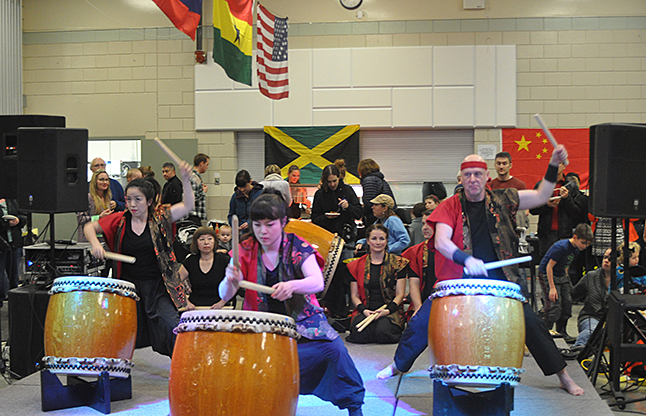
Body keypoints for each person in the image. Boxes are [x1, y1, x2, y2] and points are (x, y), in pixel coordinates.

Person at [379, 149, 584, 396]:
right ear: (461, 179)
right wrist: (466, 259)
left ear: (487, 177)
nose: (473, 179)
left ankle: (563, 376)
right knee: (422, 321)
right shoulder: (450, 205)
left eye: (477, 174)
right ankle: (398, 365)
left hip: (501, 277)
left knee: (531, 322)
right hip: (458, 278)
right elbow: (442, 241)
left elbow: (541, 195)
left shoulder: (504, 198)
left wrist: (552, 165)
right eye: (467, 174)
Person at [219, 194, 365, 416]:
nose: (263, 232)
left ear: (283, 223)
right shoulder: (245, 249)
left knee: (334, 351)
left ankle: (354, 407)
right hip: (259, 324)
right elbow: (224, 294)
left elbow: (316, 281)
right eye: (257, 225)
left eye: (270, 225)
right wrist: (229, 280)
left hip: (303, 321)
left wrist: (292, 285)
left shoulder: (297, 246)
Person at [84, 161, 195, 358]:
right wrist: (95, 244)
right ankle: (114, 374)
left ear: (149, 201)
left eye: (138, 199)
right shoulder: (119, 220)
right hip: (128, 287)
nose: (132, 204)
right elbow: (89, 227)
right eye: (128, 199)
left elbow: (188, 206)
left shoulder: (162, 217)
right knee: (117, 332)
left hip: (158, 286)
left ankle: (183, 370)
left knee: (173, 327)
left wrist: (186, 179)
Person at [377, 209, 436, 379]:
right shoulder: (418, 251)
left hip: (452, 299)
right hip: (429, 300)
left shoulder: (450, 248)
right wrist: (418, 307)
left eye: (429, 224)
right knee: (417, 325)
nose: (425, 227)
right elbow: (414, 282)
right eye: (423, 223)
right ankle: (398, 365)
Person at [346, 224, 412, 344]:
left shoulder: (398, 263)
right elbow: (354, 295)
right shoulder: (355, 265)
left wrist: (387, 311)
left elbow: (400, 294)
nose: (378, 242)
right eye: (374, 238)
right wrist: (364, 310)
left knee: (383, 333)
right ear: (368, 241)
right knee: (360, 334)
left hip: (390, 309)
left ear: (387, 241)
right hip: (366, 309)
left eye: (382, 239)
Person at [537, 223, 593, 341]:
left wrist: (566, 279)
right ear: (575, 237)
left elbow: (567, 263)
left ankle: (561, 331)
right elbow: (549, 267)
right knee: (554, 304)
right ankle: (547, 333)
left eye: (587, 244)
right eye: (583, 243)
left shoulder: (576, 249)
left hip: (561, 274)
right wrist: (552, 287)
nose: (584, 246)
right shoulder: (561, 247)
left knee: (567, 303)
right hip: (548, 274)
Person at [561, 248, 612, 359]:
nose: (606, 261)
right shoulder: (591, 276)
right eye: (605, 257)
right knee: (592, 330)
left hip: (615, 321)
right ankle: (577, 351)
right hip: (591, 317)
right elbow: (573, 294)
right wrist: (565, 277)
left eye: (610, 258)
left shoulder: (624, 280)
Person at [179, 226, 230, 310]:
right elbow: (175, 283)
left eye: (210, 239)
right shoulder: (190, 261)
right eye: (202, 239)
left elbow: (235, 284)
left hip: (221, 308)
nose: (206, 242)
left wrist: (221, 303)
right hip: (195, 308)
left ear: (215, 241)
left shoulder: (225, 260)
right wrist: (186, 302)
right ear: (196, 243)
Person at [311, 164, 362, 243]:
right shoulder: (320, 194)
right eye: (329, 182)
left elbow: (359, 214)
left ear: (339, 177)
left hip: (346, 236)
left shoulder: (348, 190)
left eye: (334, 181)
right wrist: (326, 217)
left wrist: (348, 207)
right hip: (326, 237)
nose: (332, 184)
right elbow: (314, 218)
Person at [0, 198, 26, 306]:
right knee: (1, 275)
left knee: (14, 273)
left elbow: (24, 217)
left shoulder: (13, 201)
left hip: (15, 243)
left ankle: (15, 302)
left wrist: (18, 220)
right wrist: (7, 225)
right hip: (1, 244)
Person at [77, 170, 115, 242]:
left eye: (107, 180)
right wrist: (99, 217)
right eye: (101, 180)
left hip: (104, 239)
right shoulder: (87, 198)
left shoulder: (108, 199)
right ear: (95, 182)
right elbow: (80, 219)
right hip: (89, 240)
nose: (104, 182)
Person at [358, 158, 396, 225]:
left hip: (376, 216)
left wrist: (362, 213)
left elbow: (369, 202)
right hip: (386, 213)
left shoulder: (369, 180)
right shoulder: (380, 179)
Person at [228, 169, 264, 234]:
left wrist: (250, 222)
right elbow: (231, 215)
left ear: (250, 181)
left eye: (244, 186)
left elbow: (264, 213)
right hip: (241, 233)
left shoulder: (260, 194)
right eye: (239, 187)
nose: (242, 189)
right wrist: (234, 225)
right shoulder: (235, 196)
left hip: (257, 231)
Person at [184, 153, 210, 225]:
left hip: (193, 215)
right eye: (207, 164)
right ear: (202, 164)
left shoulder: (193, 177)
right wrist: (203, 192)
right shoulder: (194, 177)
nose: (207, 167)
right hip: (193, 215)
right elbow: (192, 198)